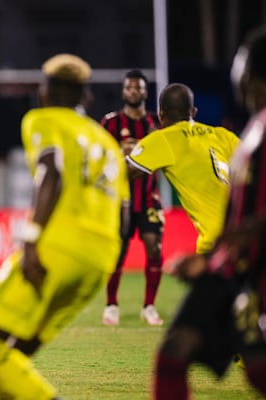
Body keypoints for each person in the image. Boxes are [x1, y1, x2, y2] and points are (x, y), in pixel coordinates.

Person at [0, 54, 130, 399]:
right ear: (85, 97)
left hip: (59, 245)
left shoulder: (42, 118)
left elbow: (51, 172)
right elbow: (125, 211)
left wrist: (31, 240)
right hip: (102, 258)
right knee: (15, 356)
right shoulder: (106, 140)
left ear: (47, 91)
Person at [152, 26, 266, 399]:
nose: (238, 79)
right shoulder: (247, 132)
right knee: (176, 352)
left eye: (241, 69)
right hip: (233, 265)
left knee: (256, 368)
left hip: (248, 267)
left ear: (250, 74)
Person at [126, 82, 239, 255]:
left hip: (218, 243)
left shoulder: (161, 140)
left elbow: (122, 173)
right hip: (246, 232)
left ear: (161, 114)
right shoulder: (222, 135)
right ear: (193, 112)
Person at [100, 69, 164, 326]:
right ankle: (111, 305)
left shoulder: (155, 124)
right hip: (120, 201)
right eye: (129, 88)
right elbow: (99, 156)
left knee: (155, 249)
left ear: (146, 92)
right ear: (123, 91)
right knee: (117, 252)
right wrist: (119, 150)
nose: (134, 92)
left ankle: (149, 306)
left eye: (138, 88)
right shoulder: (110, 122)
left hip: (149, 198)